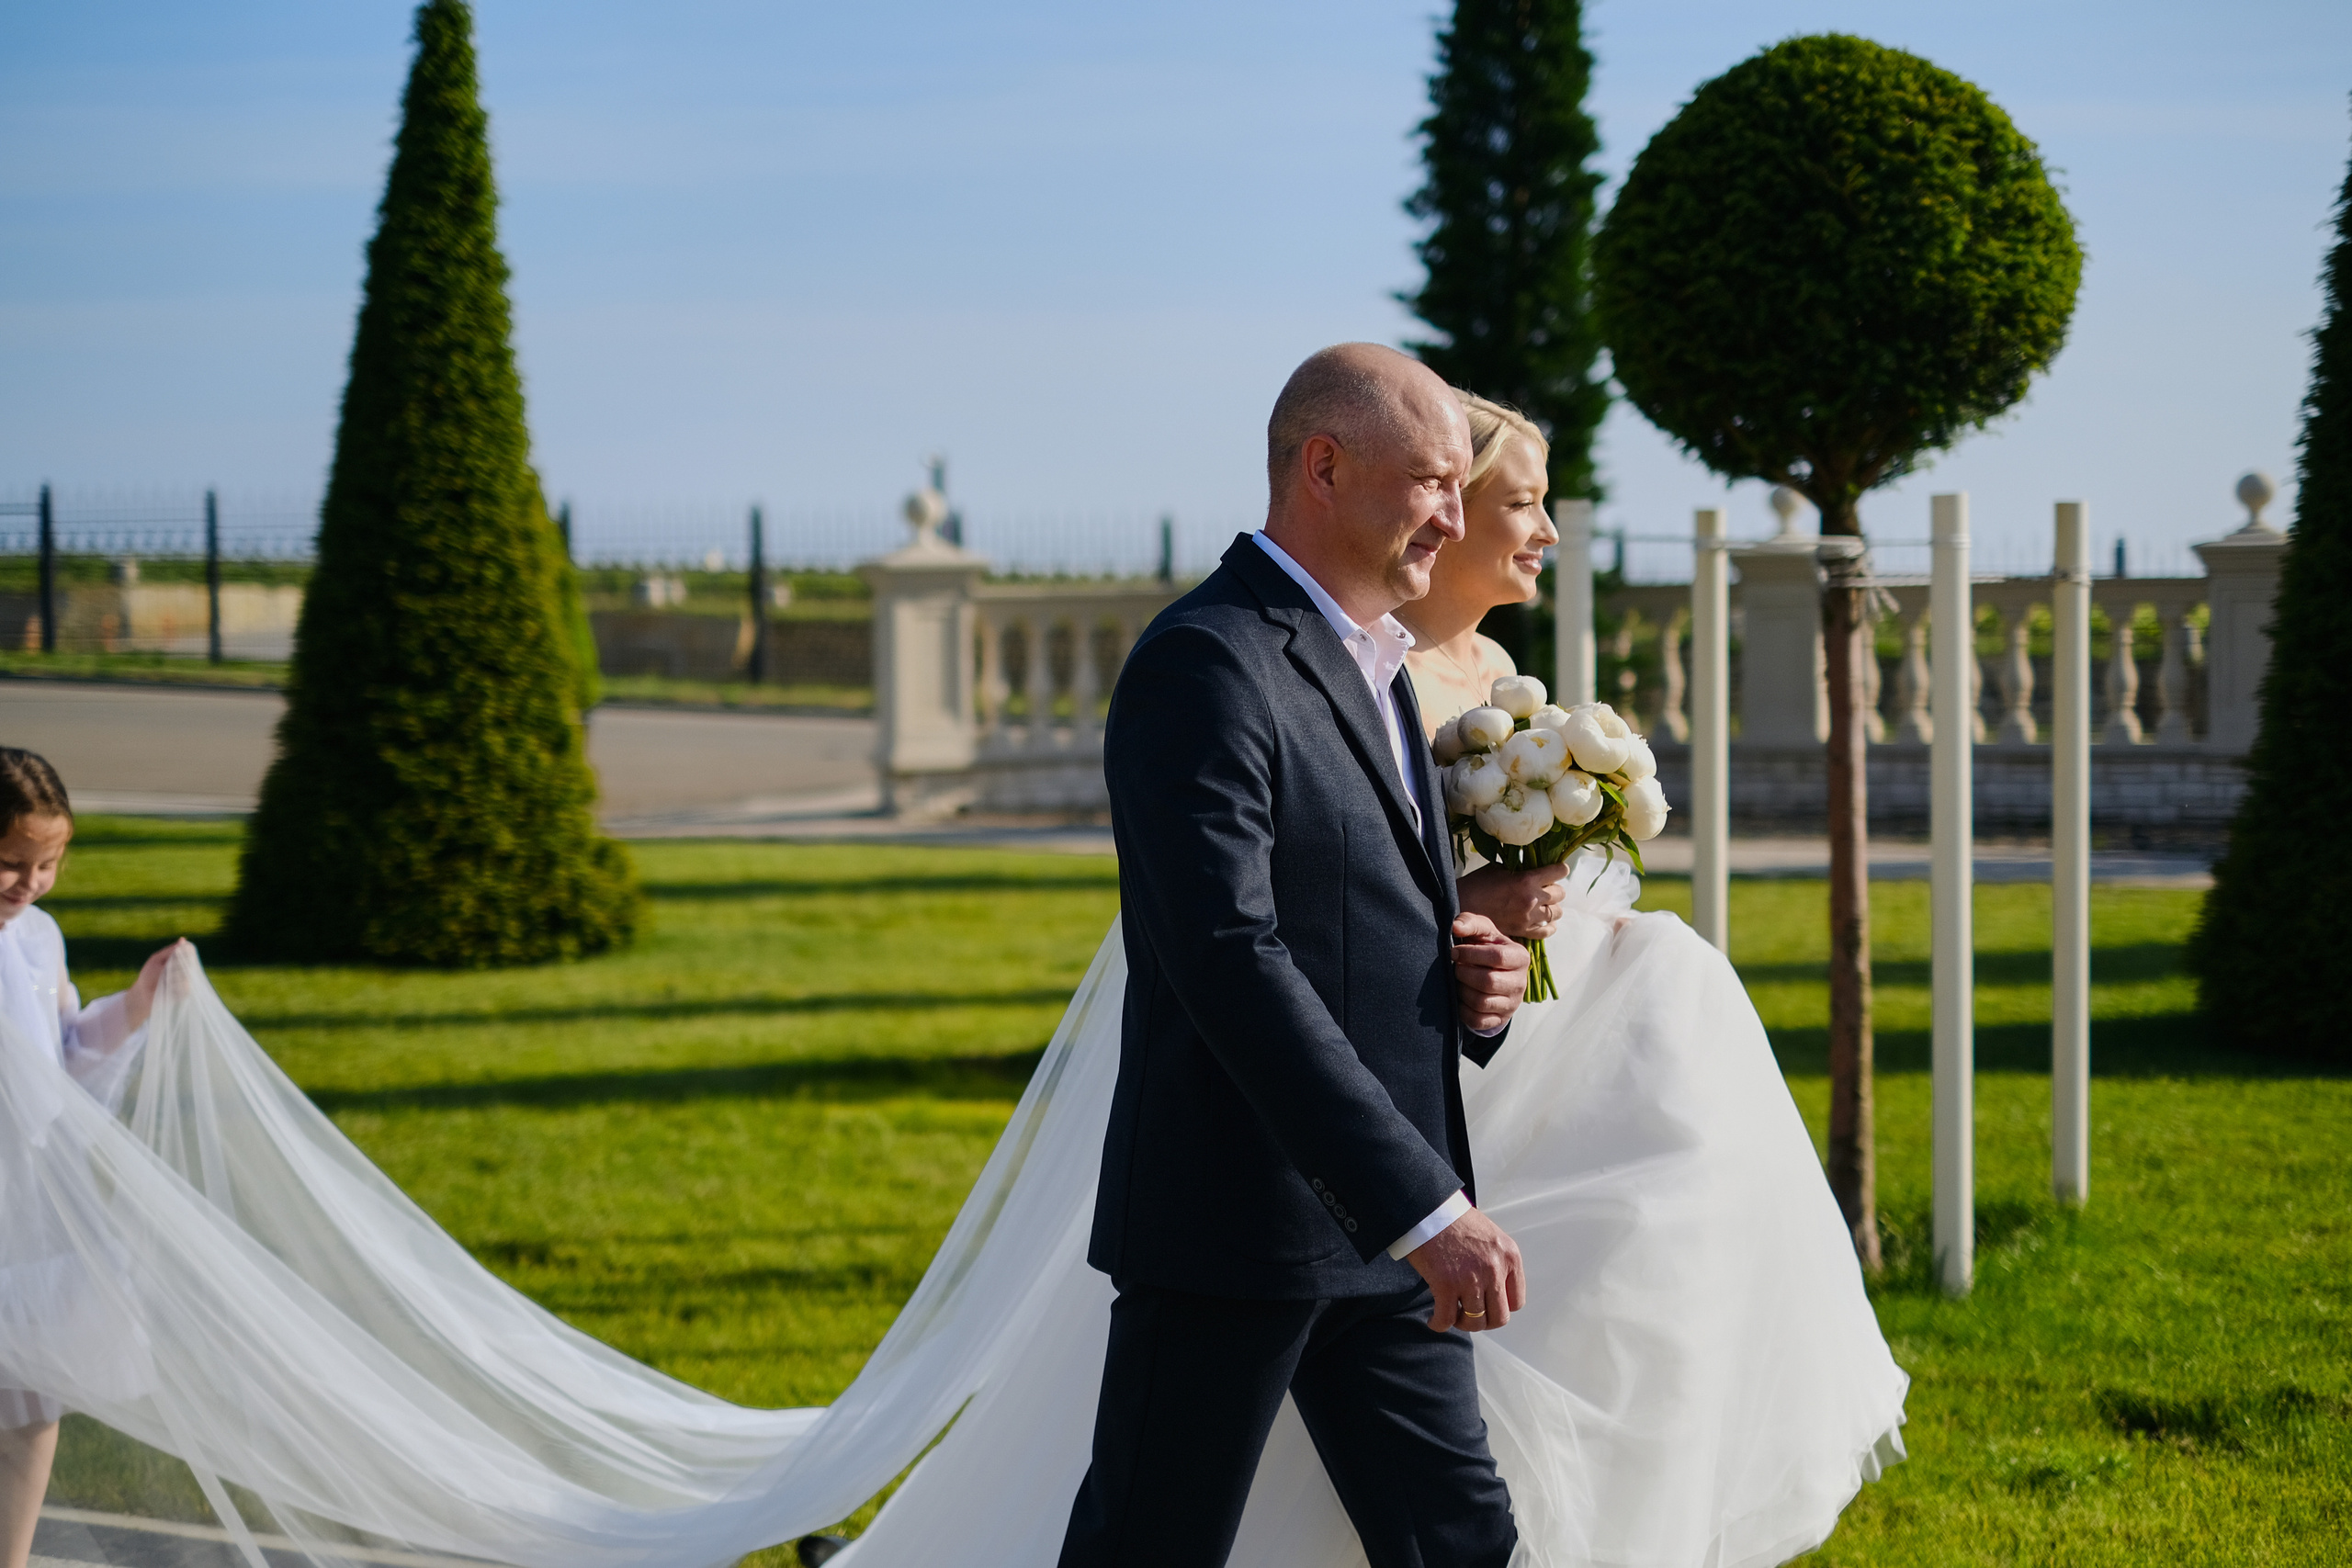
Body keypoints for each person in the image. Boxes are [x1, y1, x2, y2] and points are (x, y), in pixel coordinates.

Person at [1059, 343, 1533, 1568]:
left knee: (1463, 1541)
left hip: (1383, 1238)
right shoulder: (1206, 662)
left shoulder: (1378, 659)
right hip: (1237, 1227)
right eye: (1432, 480)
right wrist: (1425, 1207)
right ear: (1323, 465)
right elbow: (1229, 955)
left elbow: (1359, 915)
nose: (1454, 510)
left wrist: (1469, 977)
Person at [0, 749, 181, 1568]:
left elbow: (64, 1056)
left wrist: (137, 1006)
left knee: (29, 1402)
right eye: (9, 863)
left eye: (47, 865)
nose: (28, 883)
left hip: (21, 1199)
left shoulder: (38, 941)